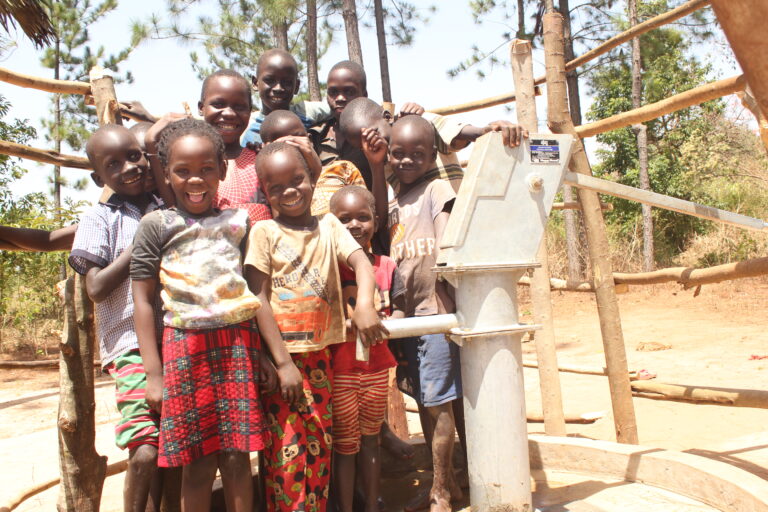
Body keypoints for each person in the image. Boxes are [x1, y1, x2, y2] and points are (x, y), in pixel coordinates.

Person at [131, 118, 274, 512]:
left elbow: (251, 291)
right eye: (183, 171)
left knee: (236, 456)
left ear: (222, 171)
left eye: (206, 169)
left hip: (237, 345)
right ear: (166, 173)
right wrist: (154, 374)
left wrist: (262, 353)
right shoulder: (155, 225)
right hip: (184, 348)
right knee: (196, 462)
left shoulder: (240, 223)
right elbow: (142, 300)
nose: (196, 180)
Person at [244, 141, 387, 512]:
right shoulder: (263, 233)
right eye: (276, 187)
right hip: (283, 365)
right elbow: (257, 298)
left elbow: (362, 263)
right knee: (285, 460)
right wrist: (283, 363)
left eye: (296, 180)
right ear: (265, 191)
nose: (289, 191)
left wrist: (366, 305)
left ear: (312, 178)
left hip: (322, 358)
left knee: (320, 449)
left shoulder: (330, 225)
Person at [68, 124, 168, 512]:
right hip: (129, 345)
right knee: (144, 450)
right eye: (114, 164)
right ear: (99, 178)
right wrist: (140, 243)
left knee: (169, 444)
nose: (129, 167)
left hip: (175, 337)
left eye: (134, 155)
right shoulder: (99, 218)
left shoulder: (167, 204)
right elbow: (95, 287)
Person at [374, 115, 463, 512]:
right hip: (408, 319)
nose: (407, 160)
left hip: (434, 313)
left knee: (438, 402)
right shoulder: (394, 200)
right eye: (399, 154)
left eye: (417, 154)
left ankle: (441, 491)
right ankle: (447, 484)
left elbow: (445, 245)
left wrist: (446, 292)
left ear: (432, 155)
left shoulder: (436, 189)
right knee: (427, 400)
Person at [328, 185, 405, 512]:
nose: (354, 225)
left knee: (371, 439)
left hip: (376, 370)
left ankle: (372, 505)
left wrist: (387, 323)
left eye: (362, 217)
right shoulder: (330, 268)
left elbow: (401, 308)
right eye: (343, 219)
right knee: (346, 446)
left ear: (375, 220)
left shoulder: (386, 266)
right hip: (340, 372)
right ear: (331, 224)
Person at [145, 69, 273, 224]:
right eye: (218, 104)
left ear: (249, 110)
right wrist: (151, 141)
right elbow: (175, 208)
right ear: (201, 107)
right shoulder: (187, 168)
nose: (229, 113)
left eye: (239, 106)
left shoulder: (260, 160)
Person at [260, 109, 367, 218]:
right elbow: (284, 224)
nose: (293, 145)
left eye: (296, 139)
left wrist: (316, 167)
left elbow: (367, 215)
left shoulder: (343, 169)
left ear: (309, 139)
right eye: (282, 144)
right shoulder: (276, 188)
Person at [241, 49, 331, 148]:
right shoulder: (246, 124)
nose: (278, 88)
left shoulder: (306, 112)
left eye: (287, 82)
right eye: (269, 80)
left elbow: (341, 107)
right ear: (255, 83)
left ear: (296, 86)